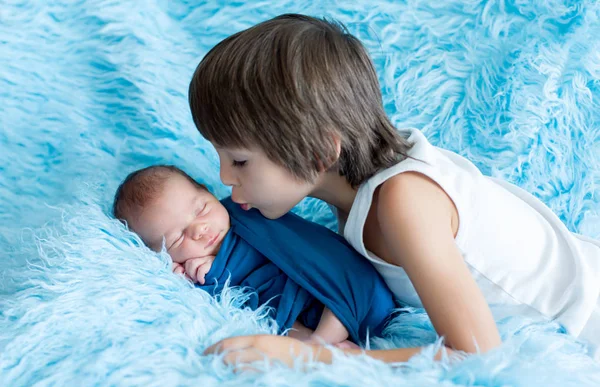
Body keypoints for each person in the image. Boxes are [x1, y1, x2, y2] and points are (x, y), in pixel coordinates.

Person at [187, 13, 600, 365]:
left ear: (319, 151)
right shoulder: (359, 194)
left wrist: (314, 358)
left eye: (239, 160)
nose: (224, 177)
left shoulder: (405, 201)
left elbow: (477, 355)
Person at [112, 165, 396, 347]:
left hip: (334, 286)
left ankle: (325, 342)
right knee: (280, 323)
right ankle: (321, 344)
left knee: (340, 279)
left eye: (201, 210)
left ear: (209, 192)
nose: (199, 230)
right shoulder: (192, 270)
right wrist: (198, 276)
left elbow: (301, 245)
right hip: (293, 310)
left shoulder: (245, 210)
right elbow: (235, 300)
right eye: (178, 238)